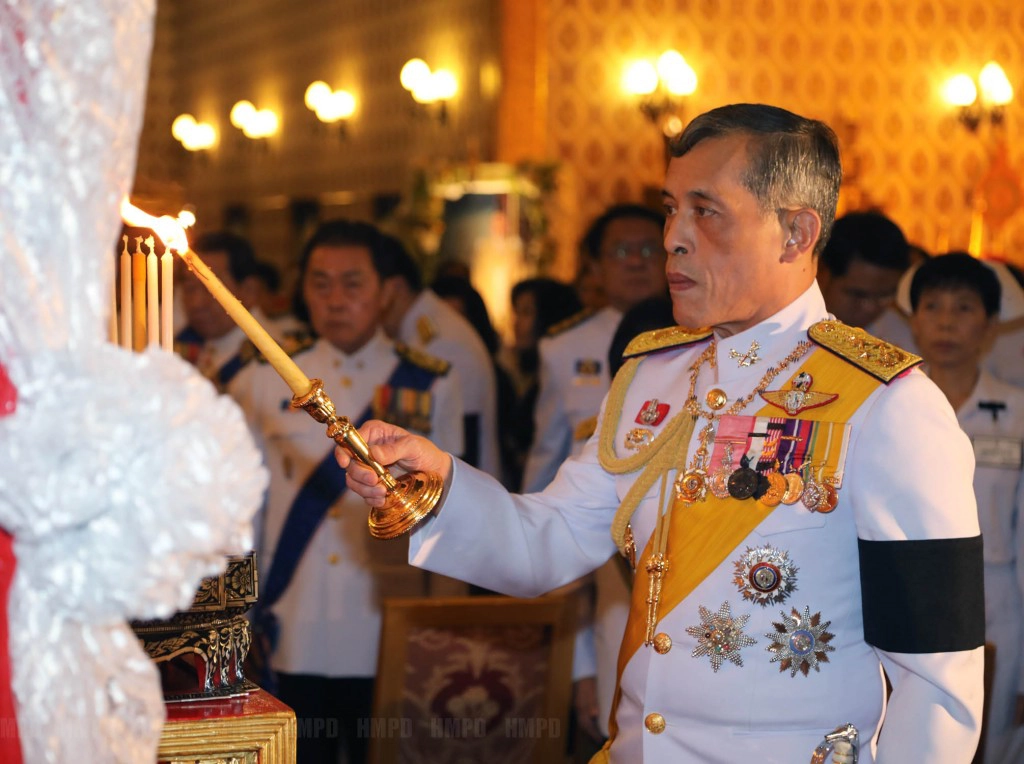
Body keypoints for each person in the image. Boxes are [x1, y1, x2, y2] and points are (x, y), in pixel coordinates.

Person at [337, 103, 985, 763]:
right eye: (670, 207)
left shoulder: (886, 406)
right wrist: (435, 482)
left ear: (795, 233)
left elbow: (940, 683)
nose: (672, 236)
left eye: (706, 212)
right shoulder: (654, 379)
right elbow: (547, 542)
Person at [230, 220, 465, 764]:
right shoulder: (264, 382)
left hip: (388, 622)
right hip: (294, 620)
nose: (335, 299)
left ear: (386, 292)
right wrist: (239, 624)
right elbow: (247, 516)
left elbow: (458, 512)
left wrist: (447, 625)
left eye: (352, 283)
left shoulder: (432, 381)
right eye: (320, 283)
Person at [908, 253, 1024, 763]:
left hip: (996, 601)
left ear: (991, 325)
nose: (947, 321)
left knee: (993, 744)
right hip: (906, 594)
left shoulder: (1018, 413)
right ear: (913, 320)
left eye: (964, 307)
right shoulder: (893, 406)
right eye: (932, 306)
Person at [522, 203, 668, 494]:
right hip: (591, 509)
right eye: (622, 252)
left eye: (650, 250)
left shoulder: (701, 333)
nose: (637, 262)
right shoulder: (563, 346)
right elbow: (548, 450)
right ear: (596, 268)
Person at [378, 236, 501, 478]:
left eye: (356, 286)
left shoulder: (440, 343)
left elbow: (463, 446)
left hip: (457, 492)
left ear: (395, 289)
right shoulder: (419, 331)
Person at [176, 231, 306, 390]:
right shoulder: (191, 345)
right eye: (189, 288)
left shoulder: (278, 362)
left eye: (210, 288)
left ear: (249, 290)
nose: (197, 303)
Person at [501, 278, 584, 491]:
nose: (517, 323)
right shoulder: (519, 371)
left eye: (527, 312)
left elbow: (547, 450)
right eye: (516, 313)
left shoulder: (559, 369)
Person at [817, 210, 911, 335]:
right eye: (858, 294)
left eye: (884, 296)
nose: (870, 308)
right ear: (822, 273)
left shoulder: (902, 337)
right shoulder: (791, 327)